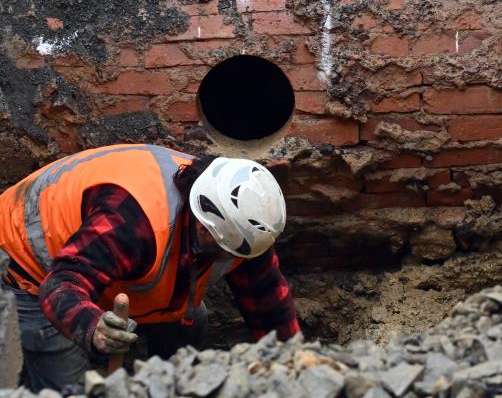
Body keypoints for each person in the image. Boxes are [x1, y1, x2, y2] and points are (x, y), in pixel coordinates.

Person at [0, 144, 300, 393]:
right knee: (69, 388)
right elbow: (62, 285)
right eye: (223, 252)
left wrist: (294, 368)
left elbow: (268, 302)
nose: (230, 260)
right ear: (206, 228)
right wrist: (93, 327)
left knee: (191, 323)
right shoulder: (133, 222)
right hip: (28, 260)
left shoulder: (243, 227)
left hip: (104, 263)